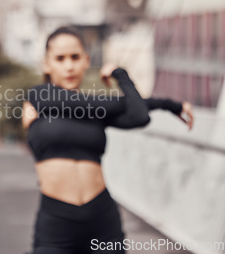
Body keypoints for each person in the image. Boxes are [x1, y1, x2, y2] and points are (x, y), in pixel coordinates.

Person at [22, 26, 193, 254]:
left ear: (86, 60)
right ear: (46, 63)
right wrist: (167, 104)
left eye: (75, 57)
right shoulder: (38, 97)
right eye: (60, 58)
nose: (69, 66)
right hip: (56, 222)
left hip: (101, 217)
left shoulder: (96, 111)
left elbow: (138, 116)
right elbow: (107, 106)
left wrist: (120, 73)